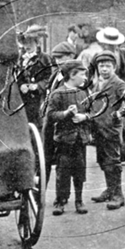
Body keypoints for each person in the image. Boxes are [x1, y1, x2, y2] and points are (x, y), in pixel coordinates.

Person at [90, 51, 125, 210]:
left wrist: (120, 113)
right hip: (99, 128)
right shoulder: (98, 82)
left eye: (108, 66)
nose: (104, 69)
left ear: (115, 67)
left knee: (113, 162)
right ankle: (110, 190)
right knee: (104, 161)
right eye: (101, 66)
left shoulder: (118, 83)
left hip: (111, 129)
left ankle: (118, 195)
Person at [47, 60, 91, 216]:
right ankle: (60, 201)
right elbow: (51, 115)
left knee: (80, 171)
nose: (85, 77)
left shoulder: (83, 93)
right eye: (82, 74)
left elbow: (91, 113)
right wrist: (66, 114)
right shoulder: (57, 94)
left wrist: (83, 117)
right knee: (63, 172)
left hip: (80, 140)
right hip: (64, 141)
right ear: (72, 75)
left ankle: (79, 200)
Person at [42, 41, 77, 187]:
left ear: (71, 56)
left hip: (65, 124)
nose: (58, 62)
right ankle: (40, 193)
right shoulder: (56, 74)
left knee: (64, 163)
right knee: (45, 159)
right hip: (50, 121)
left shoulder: (76, 77)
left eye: (62, 58)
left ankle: (62, 197)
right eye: (56, 58)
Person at [15, 25, 52, 130]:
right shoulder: (21, 60)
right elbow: (17, 77)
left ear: (37, 43)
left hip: (40, 99)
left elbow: (50, 78)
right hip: (25, 100)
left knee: (40, 125)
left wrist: (37, 86)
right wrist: (21, 85)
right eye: (25, 43)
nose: (27, 46)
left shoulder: (45, 58)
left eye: (30, 43)